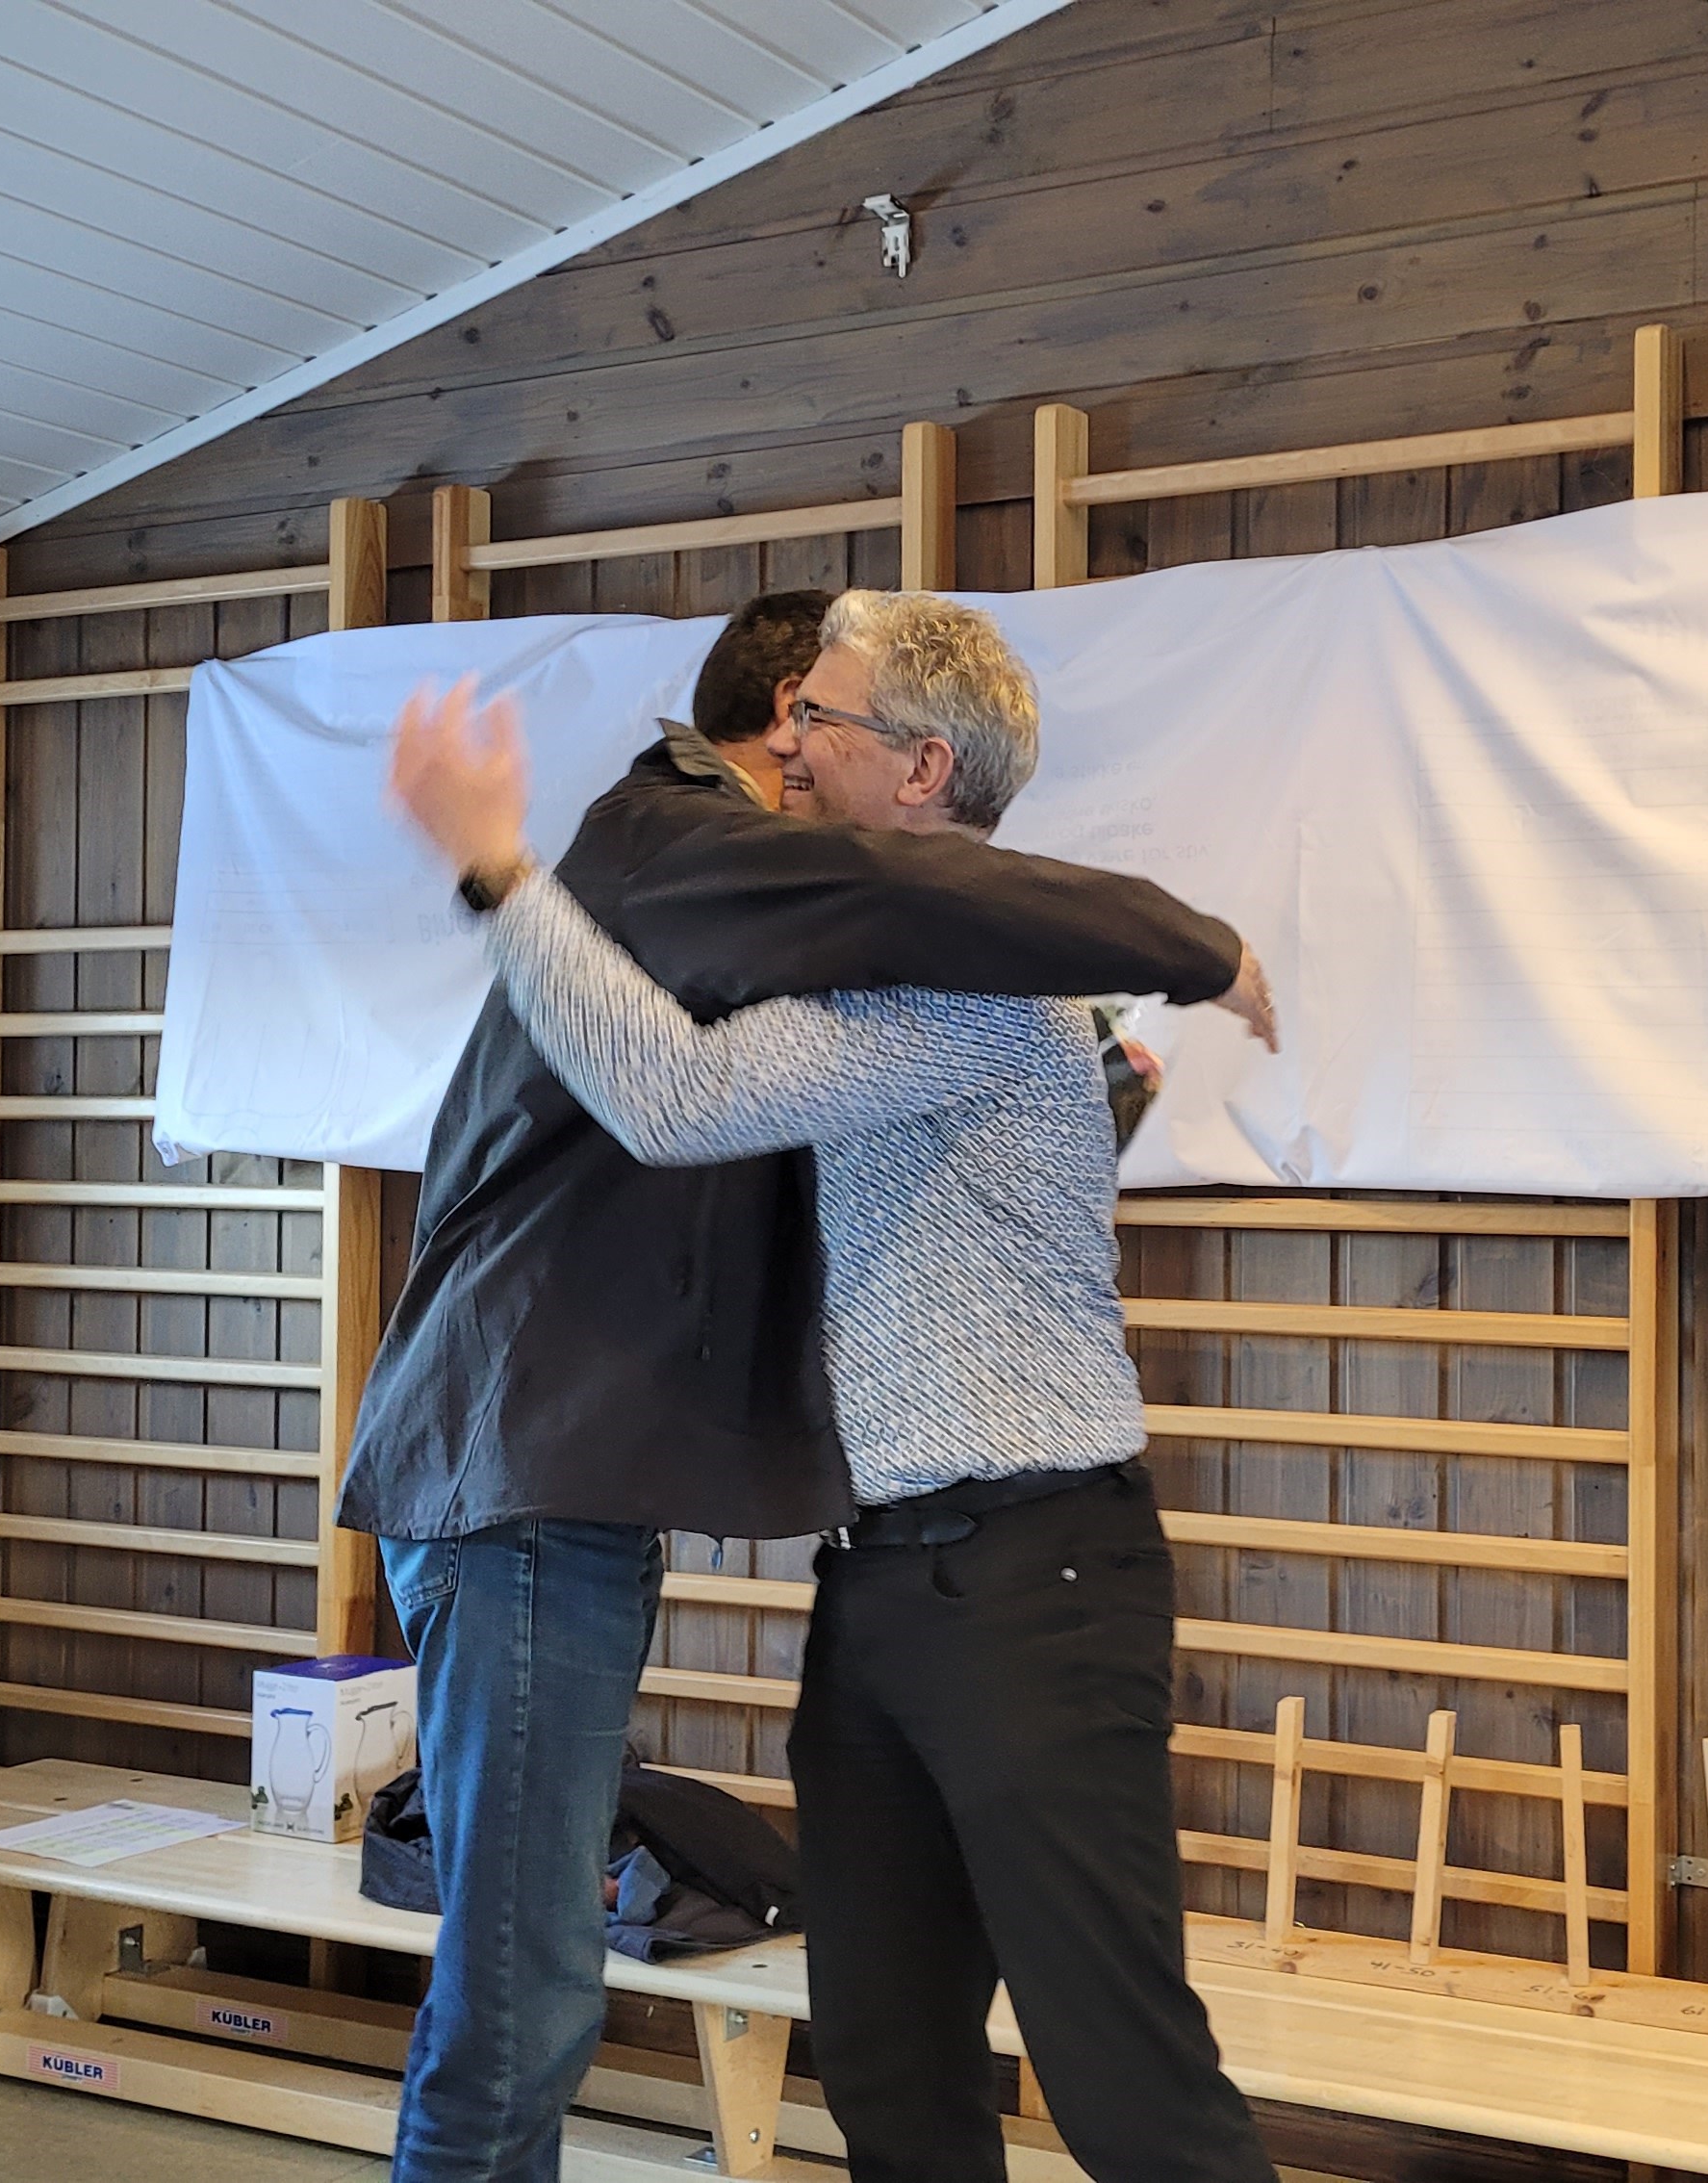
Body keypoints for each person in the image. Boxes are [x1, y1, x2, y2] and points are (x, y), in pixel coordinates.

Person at [341, 596, 1272, 2182]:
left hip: (1028, 1571)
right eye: (790, 720)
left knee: (1114, 2065)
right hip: (844, 1561)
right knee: (875, 2058)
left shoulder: (958, 982)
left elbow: (685, 1098)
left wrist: (497, 870)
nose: (793, 750)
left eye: (821, 724)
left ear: (919, 770)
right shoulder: (737, 877)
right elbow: (734, 1108)